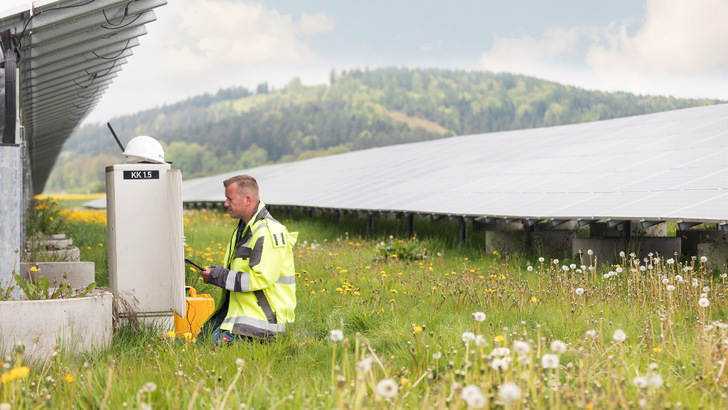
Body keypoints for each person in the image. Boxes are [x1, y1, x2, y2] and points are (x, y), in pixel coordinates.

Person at [200, 175, 298, 344]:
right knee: (201, 339)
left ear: (247, 200)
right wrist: (217, 274)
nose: (225, 204)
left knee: (211, 348)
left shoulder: (268, 231)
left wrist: (219, 276)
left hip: (262, 324)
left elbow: (259, 278)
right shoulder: (245, 229)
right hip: (241, 312)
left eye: (229, 199)